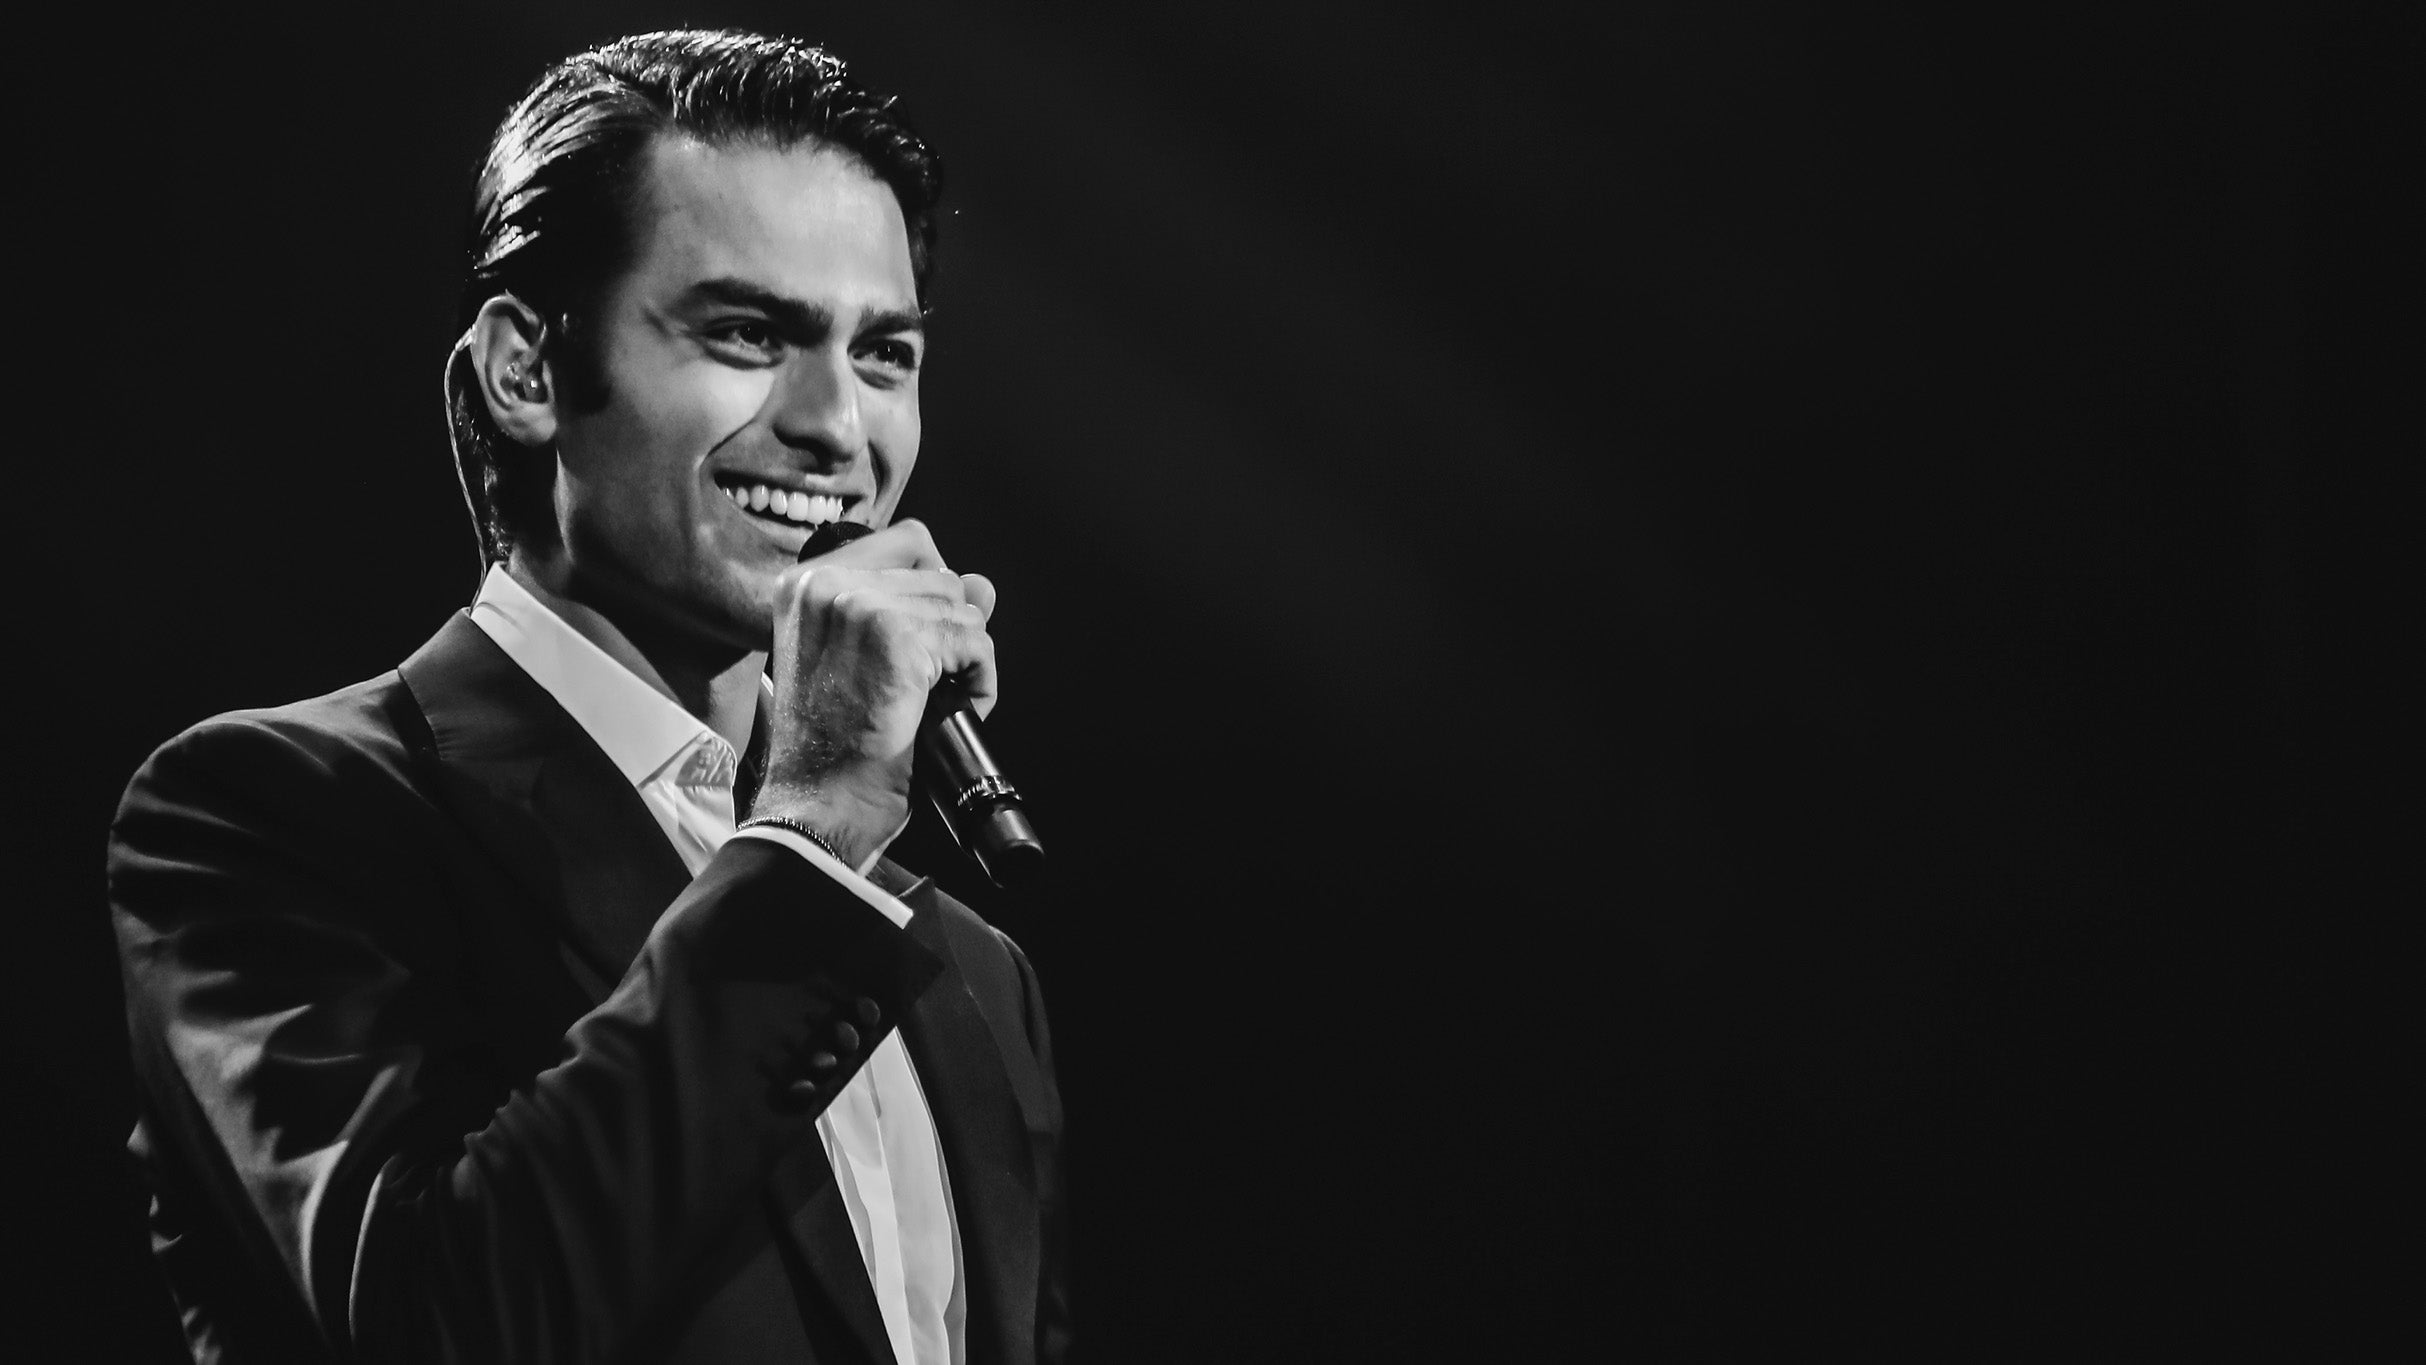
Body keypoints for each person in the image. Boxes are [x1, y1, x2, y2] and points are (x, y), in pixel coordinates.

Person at [109, 30, 1069, 1364]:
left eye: (884, 355)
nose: (838, 428)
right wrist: (810, 829)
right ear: (527, 371)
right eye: (748, 333)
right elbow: (434, 1325)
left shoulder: (969, 971)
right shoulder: (275, 816)